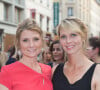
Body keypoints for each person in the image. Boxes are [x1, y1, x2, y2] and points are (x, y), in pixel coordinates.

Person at [0, 18, 53, 90]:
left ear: (42, 41)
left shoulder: (48, 70)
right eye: (25, 40)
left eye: (36, 39)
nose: (31, 45)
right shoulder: (7, 72)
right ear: (18, 43)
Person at [52, 17, 100, 90]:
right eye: (63, 36)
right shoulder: (55, 71)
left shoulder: (97, 72)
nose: (68, 41)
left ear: (83, 37)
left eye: (73, 35)